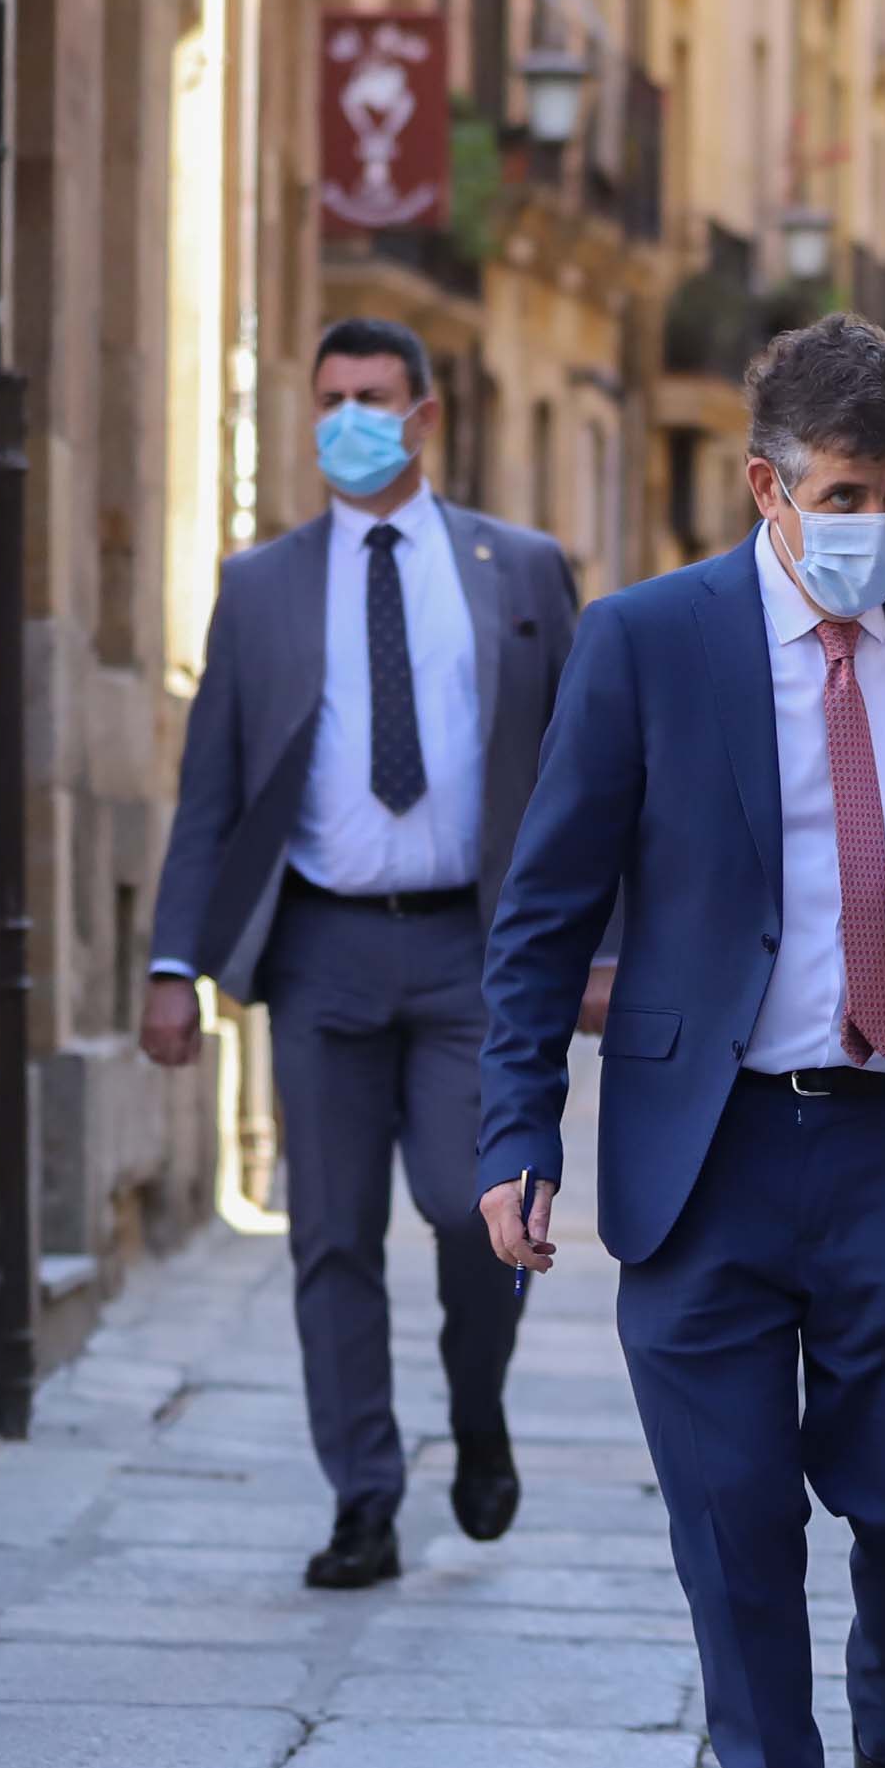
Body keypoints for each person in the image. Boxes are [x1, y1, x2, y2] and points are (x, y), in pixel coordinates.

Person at [472, 314, 885, 1768]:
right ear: (766, 486)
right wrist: (519, 1124)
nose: (874, 520)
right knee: (733, 1527)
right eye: (844, 491)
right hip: (704, 1146)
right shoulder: (648, 641)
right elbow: (545, 907)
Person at [143, 316, 589, 1589]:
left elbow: (583, 778)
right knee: (329, 1236)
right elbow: (211, 792)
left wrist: (599, 948)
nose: (349, 415)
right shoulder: (259, 586)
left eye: (374, 395)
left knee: (473, 1208)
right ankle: (364, 1497)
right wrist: (175, 962)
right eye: (330, 395)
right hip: (322, 950)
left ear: (424, 413)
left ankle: (479, 1401)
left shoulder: (522, 571)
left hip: (473, 955)